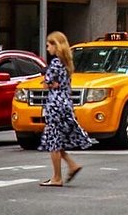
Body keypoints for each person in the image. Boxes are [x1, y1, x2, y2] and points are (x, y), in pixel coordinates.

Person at [38, 31, 91, 187]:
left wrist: (47, 83)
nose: (47, 48)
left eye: (49, 45)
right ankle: (72, 165)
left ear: (56, 45)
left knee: (53, 141)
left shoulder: (55, 63)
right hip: (65, 103)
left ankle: (56, 177)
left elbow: (48, 83)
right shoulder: (67, 63)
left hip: (55, 104)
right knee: (56, 140)